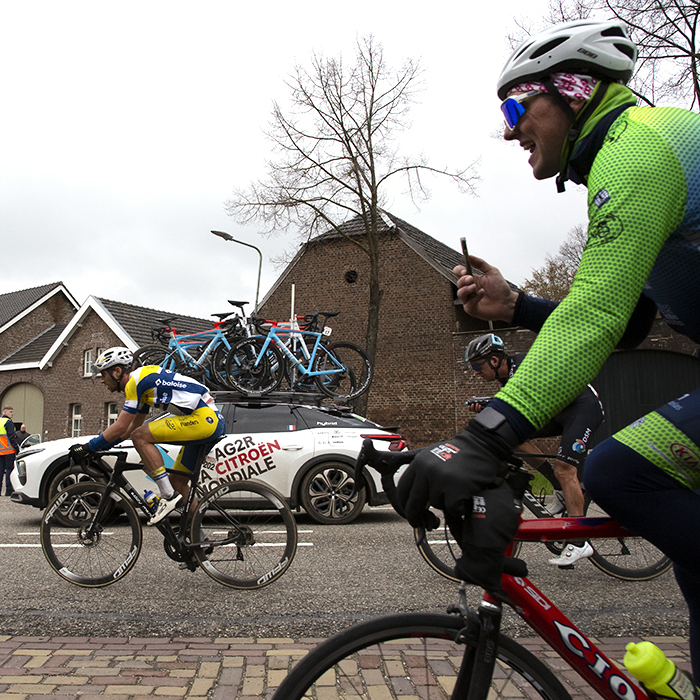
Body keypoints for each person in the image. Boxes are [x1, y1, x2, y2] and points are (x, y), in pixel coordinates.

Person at [395, 19, 700, 678]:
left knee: (620, 471)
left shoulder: (638, 150)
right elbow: (626, 323)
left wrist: (484, 439)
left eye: (514, 106)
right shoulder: (631, 161)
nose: (508, 130)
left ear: (574, 91)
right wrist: (519, 309)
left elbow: (594, 316)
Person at [465, 333, 604, 565]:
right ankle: (557, 485)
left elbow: (520, 401)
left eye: (478, 366)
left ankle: (580, 541)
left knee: (565, 469)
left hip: (582, 408)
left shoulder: (523, 366)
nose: (475, 372)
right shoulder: (507, 376)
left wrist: (489, 403)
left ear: (495, 360)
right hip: (560, 412)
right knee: (513, 437)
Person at [68, 347, 225, 525]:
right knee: (178, 482)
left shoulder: (135, 382)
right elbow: (129, 429)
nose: (102, 380)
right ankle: (197, 537)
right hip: (209, 420)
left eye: (103, 374)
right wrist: (102, 447)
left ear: (117, 371)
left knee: (141, 437)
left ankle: (167, 496)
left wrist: (89, 447)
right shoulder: (142, 383)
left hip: (204, 419)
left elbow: (121, 427)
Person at [0, 406, 20, 496]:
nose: (12, 414)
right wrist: (17, 448)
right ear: (5, 412)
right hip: (8, 451)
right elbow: (12, 437)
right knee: (9, 470)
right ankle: (9, 490)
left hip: (0, 451)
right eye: (10, 412)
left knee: (0, 471)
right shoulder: (8, 422)